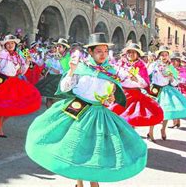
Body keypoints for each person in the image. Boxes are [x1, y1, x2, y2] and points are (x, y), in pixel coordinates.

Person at [26, 33, 147, 187]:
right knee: (75, 147)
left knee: (94, 151)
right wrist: (71, 71)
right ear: (90, 52)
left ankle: (92, 183)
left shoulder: (112, 70)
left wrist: (136, 79)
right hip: (77, 109)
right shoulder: (81, 67)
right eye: (99, 51)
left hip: (98, 113)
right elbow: (64, 87)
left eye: (105, 51)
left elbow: (140, 84)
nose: (102, 54)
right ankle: (79, 183)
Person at [0, 34, 41, 138]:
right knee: (0, 105)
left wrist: (26, 63)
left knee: (12, 107)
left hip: (13, 81)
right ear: (5, 45)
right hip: (2, 80)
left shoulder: (18, 56)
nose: (10, 45)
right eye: (8, 43)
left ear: (15, 44)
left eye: (12, 43)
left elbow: (22, 72)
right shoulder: (2, 54)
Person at [108, 42, 164, 142]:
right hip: (121, 94)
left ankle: (131, 141)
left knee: (132, 119)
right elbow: (114, 75)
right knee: (115, 117)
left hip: (135, 95)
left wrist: (137, 79)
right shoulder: (120, 64)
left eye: (134, 52)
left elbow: (145, 83)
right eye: (129, 52)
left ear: (138, 54)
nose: (131, 54)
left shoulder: (141, 65)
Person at [147, 46, 186, 138]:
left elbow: (176, 83)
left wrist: (172, 77)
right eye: (162, 55)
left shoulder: (171, 67)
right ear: (158, 56)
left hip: (166, 90)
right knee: (153, 111)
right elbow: (147, 76)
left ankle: (163, 129)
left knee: (166, 111)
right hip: (155, 90)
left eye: (166, 55)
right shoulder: (153, 65)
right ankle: (150, 131)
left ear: (168, 56)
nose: (164, 57)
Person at [36, 38, 71, 108]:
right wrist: (46, 60)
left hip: (59, 80)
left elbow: (68, 70)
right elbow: (48, 65)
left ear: (64, 48)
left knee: (56, 100)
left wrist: (57, 71)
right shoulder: (54, 56)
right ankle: (48, 114)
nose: (58, 48)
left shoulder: (68, 58)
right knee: (49, 98)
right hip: (51, 78)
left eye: (60, 46)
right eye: (57, 46)